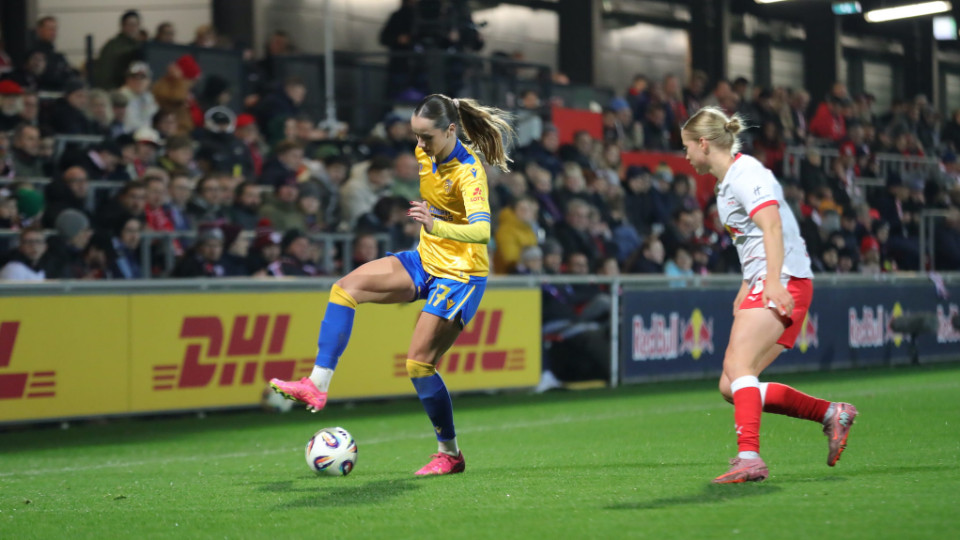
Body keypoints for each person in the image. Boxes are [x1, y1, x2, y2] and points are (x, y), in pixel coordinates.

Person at [270, 93, 513, 476]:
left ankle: (449, 454)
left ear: (451, 131)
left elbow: (483, 231)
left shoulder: (469, 171)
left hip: (461, 274)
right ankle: (317, 383)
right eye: (415, 136)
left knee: (419, 364)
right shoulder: (425, 155)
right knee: (345, 288)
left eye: (426, 137)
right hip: (425, 259)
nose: (419, 145)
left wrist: (436, 225)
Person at [680, 106, 857, 484]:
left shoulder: (746, 174)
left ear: (703, 143)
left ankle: (749, 457)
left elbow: (772, 226)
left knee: (740, 367)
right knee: (732, 385)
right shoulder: (727, 183)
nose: (686, 155)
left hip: (783, 278)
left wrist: (772, 282)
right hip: (768, 278)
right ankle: (831, 414)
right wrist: (748, 284)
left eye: (686, 147)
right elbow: (754, 240)